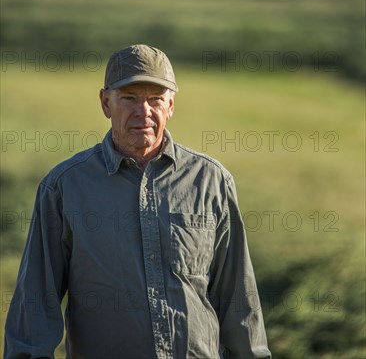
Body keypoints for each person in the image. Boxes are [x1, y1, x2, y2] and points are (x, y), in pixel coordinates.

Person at [4, 44, 271, 359]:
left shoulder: (211, 181)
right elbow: (35, 301)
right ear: (106, 103)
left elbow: (238, 299)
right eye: (129, 98)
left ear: (170, 105)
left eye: (155, 99)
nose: (143, 112)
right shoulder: (65, 187)